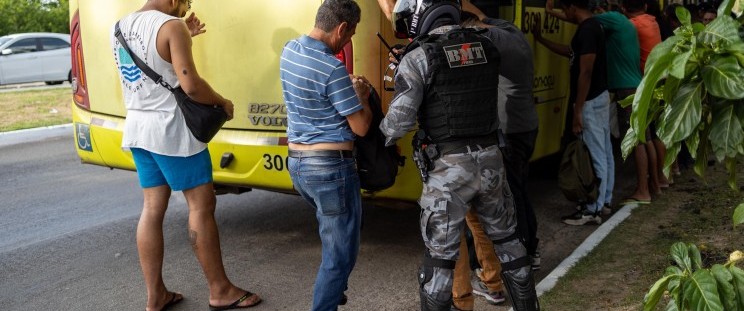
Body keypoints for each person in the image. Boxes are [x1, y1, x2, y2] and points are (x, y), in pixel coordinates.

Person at [379, 1, 540, 310]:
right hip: (492, 161)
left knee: (438, 266)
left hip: (448, 173)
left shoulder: (419, 56)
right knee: (510, 246)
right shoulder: (487, 44)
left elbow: (397, 125)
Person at [110, 0, 261, 310]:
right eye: (187, 2)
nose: (187, 8)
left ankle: (156, 295)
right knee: (201, 206)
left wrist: (181, 35)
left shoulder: (121, 26)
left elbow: (148, 63)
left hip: (139, 128)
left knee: (152, 208)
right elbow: (190, 86)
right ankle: (220, 290)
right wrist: (222, 103)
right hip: (172, 131)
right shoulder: (171, 27)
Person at [279, 1, 372, 310]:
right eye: (351, 34)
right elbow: (360, 127)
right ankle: (328, 300)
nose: (348, 41)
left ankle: (336, 289)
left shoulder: (289, 50)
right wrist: (362, 97)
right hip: (331, 169)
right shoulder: (332, 68)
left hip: (299, 166)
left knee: (340, 231)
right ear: (342, 28)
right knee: (339, 256)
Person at [534, 0, 613, 225]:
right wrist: (542, 40)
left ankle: (592, 209)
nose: (565, 15)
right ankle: (604, 201)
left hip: (589, 100)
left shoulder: (587, 30)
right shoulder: (592, 26)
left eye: (565, 9)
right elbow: (572, 53)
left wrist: (578, 110)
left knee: (595, 154)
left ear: (572, 8)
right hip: (598, 97)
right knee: (604, 151)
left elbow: (585, 72)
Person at [624, 0, 671, 194]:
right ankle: (661, 178)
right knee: (655, 133)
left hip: (647, 83)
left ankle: (653, 183)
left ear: (624, 8)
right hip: (660, 81)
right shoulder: (652, 21)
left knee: (645, 137)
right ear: (644, 6)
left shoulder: (632, 25)